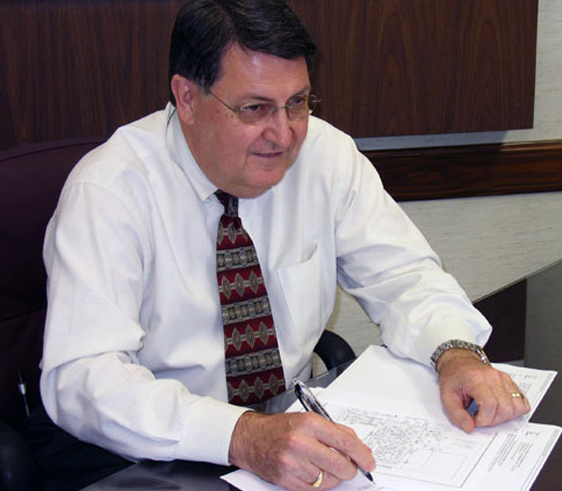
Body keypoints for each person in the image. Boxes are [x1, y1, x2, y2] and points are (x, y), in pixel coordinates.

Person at [34, 0, 530, 489]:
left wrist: (456, 353)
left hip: (289, 427)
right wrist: (241, 435)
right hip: (145, 453)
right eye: (254, 108)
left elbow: (404, 276)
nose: (284, 134)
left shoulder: (325, 155)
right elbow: (82, 378)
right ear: (186, 99)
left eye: (298, 102)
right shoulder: (109, 191)